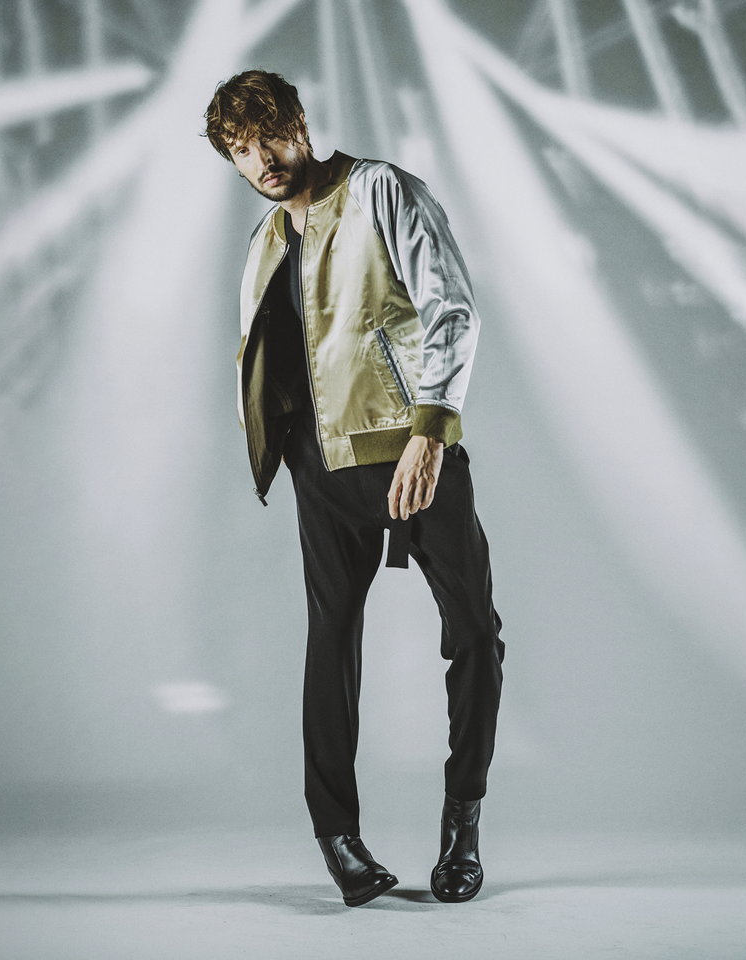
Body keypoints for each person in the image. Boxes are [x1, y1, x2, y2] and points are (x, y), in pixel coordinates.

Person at [203, 69, 505, 907]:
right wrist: (277, 446)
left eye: (270, 136)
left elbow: (451, 309)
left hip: (409, 445)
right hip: (320, 464)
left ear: (300, 124)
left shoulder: (382, 191)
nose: (262, 159)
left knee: (475, 634)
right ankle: (337, 837)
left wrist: (430, 433)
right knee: (330, 640)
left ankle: (463, 822)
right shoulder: (265, 239)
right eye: (242, 150)